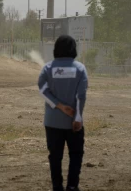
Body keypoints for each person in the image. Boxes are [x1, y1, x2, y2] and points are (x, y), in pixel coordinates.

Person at [38, 35, 88, 191]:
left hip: (52, 122)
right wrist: (77, 117)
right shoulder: (80, 69)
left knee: (55, 156)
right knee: (76, 155)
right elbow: (81, 96)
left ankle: (57, 186)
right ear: (74, 49)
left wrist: (59, 106)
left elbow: (42, 90)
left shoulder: (47, 68)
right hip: (74, 122)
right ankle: (72, 186)